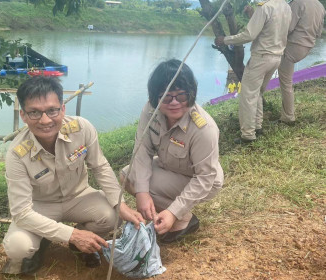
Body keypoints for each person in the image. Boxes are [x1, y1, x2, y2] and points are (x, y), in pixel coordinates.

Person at [2, 76, 143, 275]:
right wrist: (72, 234)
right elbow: (22, 213)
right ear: (23, 115)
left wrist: (121, 204)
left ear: (63, 109)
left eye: (52, 110)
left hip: (79, 196)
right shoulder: (17, 153)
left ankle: (81, 244)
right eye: (34, 112)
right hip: (40, 206)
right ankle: (42, 242)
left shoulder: (82, 128)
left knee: (113, 216)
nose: (45, 120)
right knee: (18, 246)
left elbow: (100, 166)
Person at [120, 59, 224, 244]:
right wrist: (141, 193)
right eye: (166, 96)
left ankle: (182, 219)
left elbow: (205, 177)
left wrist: (173, 212)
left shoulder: (203, 128)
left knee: (146, 187)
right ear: (155, 97)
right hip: (168, 166)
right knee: (127, 176)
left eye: (181, 96)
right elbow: (142, 150)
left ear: (191, 94)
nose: (174, 103)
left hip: (202, 180)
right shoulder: (151, 110)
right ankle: (166, 215)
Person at [214, 0, 292, 144]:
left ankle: (248, 135)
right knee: (258, 93)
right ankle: (257, 126)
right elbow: (269, 29)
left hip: (261, 58)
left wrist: (225, 40)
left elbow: (249, 35)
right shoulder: (286, 6)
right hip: (276, 57)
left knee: (248, 96)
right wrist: (253, 15)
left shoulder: (264, 7)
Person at [278, 0, 325, 125]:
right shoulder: (320, 5)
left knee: (286, 83)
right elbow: (319, 33)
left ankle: (288, 117)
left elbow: (288, 27)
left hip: (293, 46)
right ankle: (286, 114)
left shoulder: (298, 3)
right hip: (308, 47)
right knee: (287, 81)